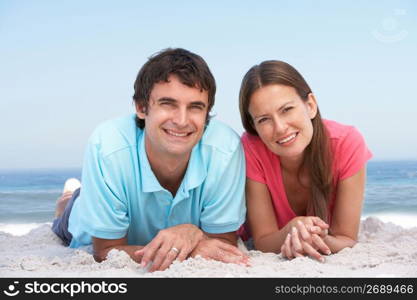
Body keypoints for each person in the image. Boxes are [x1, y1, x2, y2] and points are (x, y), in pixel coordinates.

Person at [52, 48, 248, 272]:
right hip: (82, 216)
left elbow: (222, 242)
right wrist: (192, 248)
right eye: (168, 104)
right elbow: (105, 251)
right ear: (141, 107)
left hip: (141, 228)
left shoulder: (225, 149)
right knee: (69, 209)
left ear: (207, 114)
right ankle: (68, 198)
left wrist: (191, 232)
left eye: (195, 107)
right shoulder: (107, 147)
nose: (182, 120)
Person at [238, 60, 372, 262]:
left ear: (310, 105)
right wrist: (293, 229)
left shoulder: (346, 144)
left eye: (287, 109)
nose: (280, 127)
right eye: (264, 119)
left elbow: (346, 239)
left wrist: (312, 236)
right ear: (254, 127)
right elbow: (263, 242)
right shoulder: (251, 149)